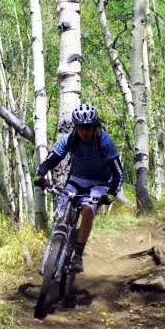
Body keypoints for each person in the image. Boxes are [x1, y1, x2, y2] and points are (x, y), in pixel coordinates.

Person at [33, 103, 124, 272]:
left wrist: (111, 194)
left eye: (88, 127)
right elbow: (51, 160)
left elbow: (118, 173)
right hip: (76, 179)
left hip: (100, 182)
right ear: (76, 127)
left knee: (88, 209)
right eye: (81, 127)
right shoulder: (70, 139)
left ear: (95, 125)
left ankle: (78, 256)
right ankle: (55, 253)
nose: (84, 131)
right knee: (60, 213)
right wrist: (40, 175)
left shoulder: (104, 140)